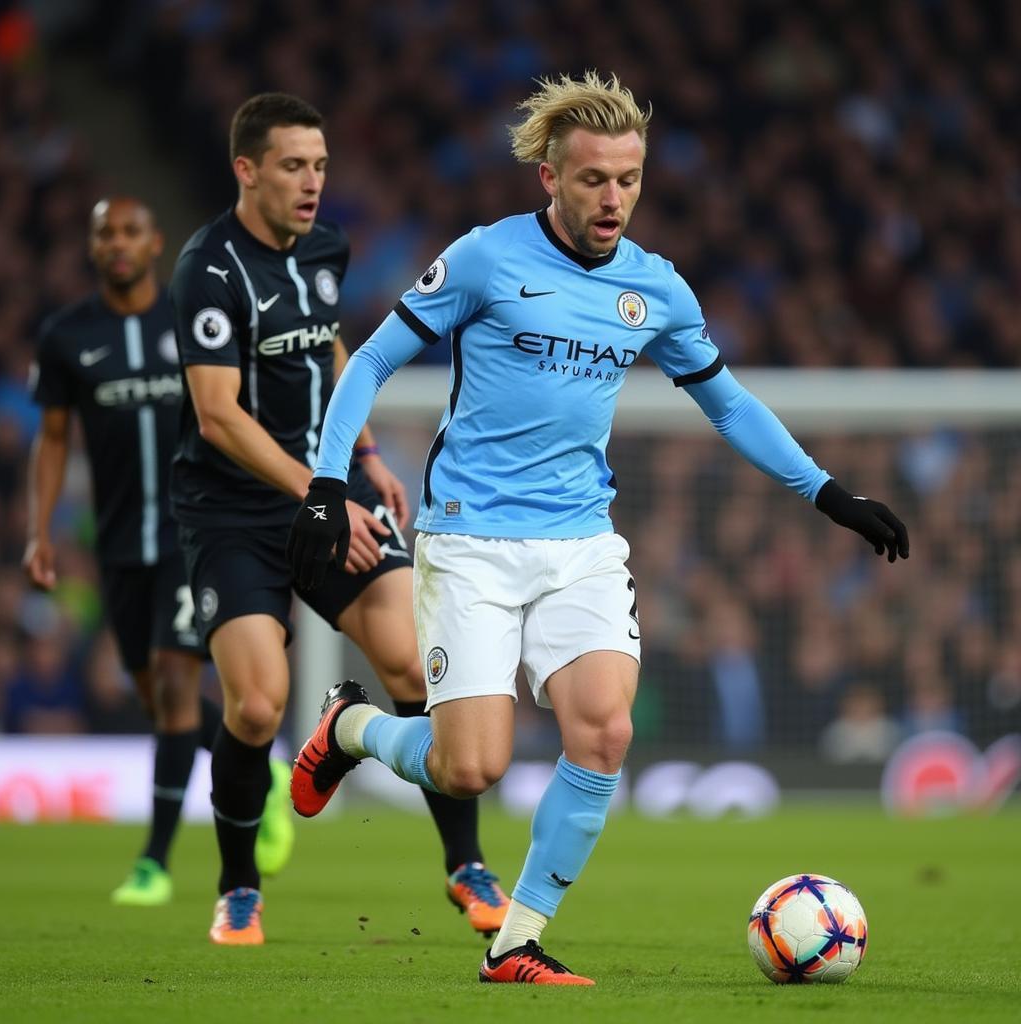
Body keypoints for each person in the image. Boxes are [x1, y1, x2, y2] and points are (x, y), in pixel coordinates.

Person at [286, 71, 910, 986]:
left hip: (580, 542)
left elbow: (727, 404)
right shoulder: (487, 260)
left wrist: (827, 493)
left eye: (628, 179)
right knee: (469, 770)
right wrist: (326, 484)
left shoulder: (655, 288)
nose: (612, 197)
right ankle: (350, 731)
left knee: (604, 735)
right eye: (592, 179)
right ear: (548, 175)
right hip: (471, 542)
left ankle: (516, 944)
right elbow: (372, 359)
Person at [169, 92, 507, 946]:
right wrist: (319, 491)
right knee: (254, 706)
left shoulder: (325, 248)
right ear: (246, 170)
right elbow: (217, 415)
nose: (312, 182)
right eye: (292, 165)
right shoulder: (208, 270)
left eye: (319, 165)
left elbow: (327, 350)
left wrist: (362, 459)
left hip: (321, 484)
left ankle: (464, 865)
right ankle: (238, 887)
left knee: (412, 661)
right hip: (232, 511)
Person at [24, 196, 293, 906]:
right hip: (118, 546)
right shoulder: (65, 335)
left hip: (192, 531)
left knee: (177, 683)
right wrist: (41, 531)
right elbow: (52, 441)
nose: (117, 242)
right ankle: (259, 780)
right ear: (91, 246)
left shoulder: (194, 319)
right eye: (105, 231)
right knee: (153, 696)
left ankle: (155, 862)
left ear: (155, 244)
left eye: (131, 231)